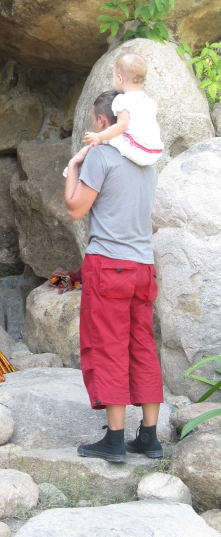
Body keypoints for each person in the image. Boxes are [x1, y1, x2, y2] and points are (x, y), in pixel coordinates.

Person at [64, 90, 164, 463]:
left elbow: (75, 209)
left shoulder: (102, 155)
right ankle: (149, 437)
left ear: (104, 121)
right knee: (142, 346)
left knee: (108, 345)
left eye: (95, 121)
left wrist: (73, 166)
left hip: (109, 266)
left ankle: (115, 439)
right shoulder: (147, 162)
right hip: (143, 268)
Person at [83, 53, 164, 166]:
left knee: (110, 138)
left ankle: (85, 158)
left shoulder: (122, 100)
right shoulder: (149, 101)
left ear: (120, 78)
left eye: (113, 77)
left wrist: (99, 137)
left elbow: (121, 126)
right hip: (155, 152)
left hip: (138, 151)